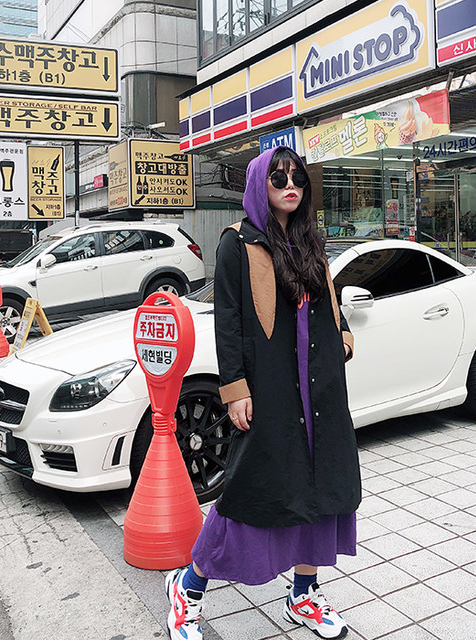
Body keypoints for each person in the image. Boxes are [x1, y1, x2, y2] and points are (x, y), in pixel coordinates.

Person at [165, 146, 361, 640]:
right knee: (248, 492)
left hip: (319, 388)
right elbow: (227, 320)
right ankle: (188, 588)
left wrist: (342, 337)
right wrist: (234, 388)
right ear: (259, 184)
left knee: (321, 488)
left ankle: (304, 594)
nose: (290, 185)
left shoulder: (311, 239)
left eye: (297, 177)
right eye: (278, 177)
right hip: (271, 387)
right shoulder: (238, 242)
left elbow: (328, 302)